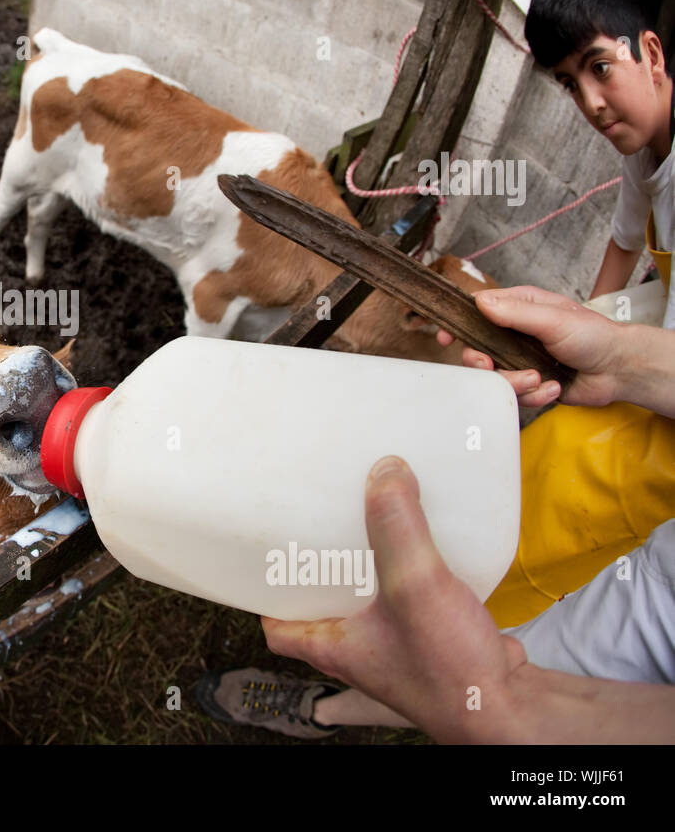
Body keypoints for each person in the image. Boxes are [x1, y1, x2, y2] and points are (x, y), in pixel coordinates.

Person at [196, 286, 675, 741]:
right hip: (651, 569)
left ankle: (322, 710)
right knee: (463, 650)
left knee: (468, 681)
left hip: (651, 657)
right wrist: (626, 362)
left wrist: (501, 707)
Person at [524, 0, 674, 316]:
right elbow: (626, 242)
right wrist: (582, 320)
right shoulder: (645, 148)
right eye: (571, 85)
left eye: (601, 68)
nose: (591, 104)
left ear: (651, 54)